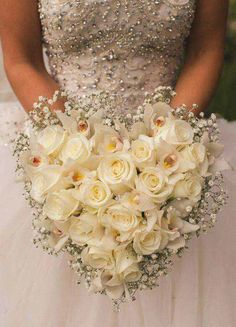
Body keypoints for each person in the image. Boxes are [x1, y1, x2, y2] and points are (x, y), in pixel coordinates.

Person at [0, 0, 235, 326]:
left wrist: (165, 152)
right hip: (60, 155)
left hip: (167, 155)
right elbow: (22, 60)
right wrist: (74, 155)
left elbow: (205, 52)